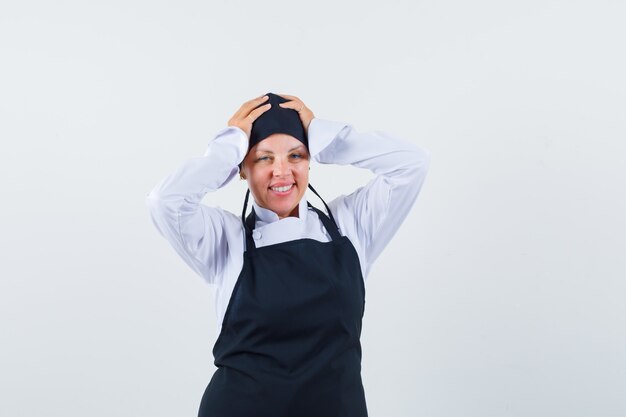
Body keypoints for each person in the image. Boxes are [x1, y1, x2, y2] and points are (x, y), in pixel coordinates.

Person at [145, 92, 431, 417]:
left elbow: (413, 164)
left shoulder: (352, 225)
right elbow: (164, 202)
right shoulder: (225, 239)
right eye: (264, 158)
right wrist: (228, 148)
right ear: (243, 168)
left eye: (295, 155)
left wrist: (327, 138)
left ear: (311, 160)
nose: (282, 172)